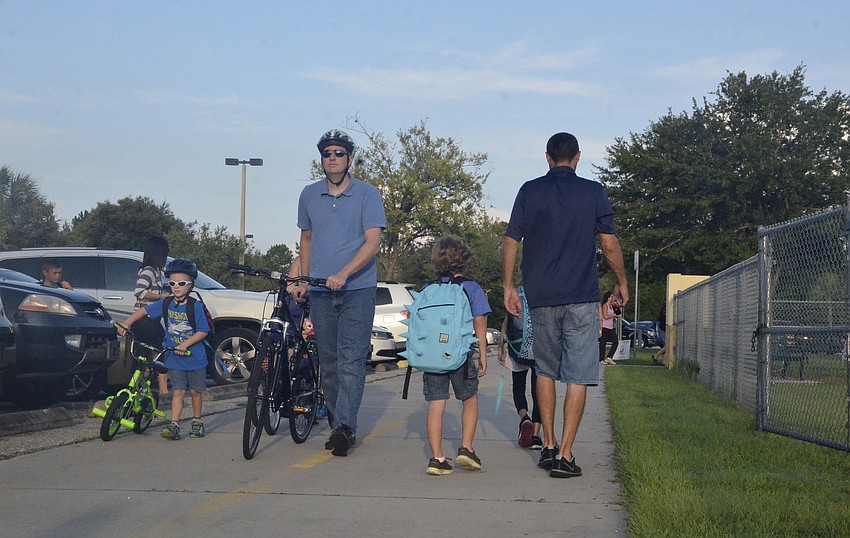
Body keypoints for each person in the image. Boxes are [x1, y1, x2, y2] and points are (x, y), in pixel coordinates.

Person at [503, 132, 628, 479]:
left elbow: (511, 238)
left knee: (543, 370)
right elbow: (609, 242)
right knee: (578, 375)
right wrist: (621, 282)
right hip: (581, 297)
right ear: (577, 157)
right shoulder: (593, 191)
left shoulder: (530, 190)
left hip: (541, 298)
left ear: (547, 157)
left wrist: (509, 286)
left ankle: (548, 445)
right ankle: (566, 454)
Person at [294, 129, 386, 457]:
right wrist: (303, 280)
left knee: (350, 360)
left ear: (349, 158)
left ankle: (345, 426)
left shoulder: (367, 194)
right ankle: (338, 421)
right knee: (329, 364)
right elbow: (306, 240)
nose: (332, 157)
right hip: (319, 292)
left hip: (357, 291)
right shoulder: (308, 195)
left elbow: (372, 242)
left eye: (338, 152)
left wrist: (344, 274)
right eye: (327, 153)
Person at [119, 258, 210, 440]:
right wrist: (127, 322)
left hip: (195, 357)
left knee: (195, 391)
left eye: (181, 283)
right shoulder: (166, 303)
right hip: (174, 357)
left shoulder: (196, 306)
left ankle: (197, 421)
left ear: (191, 284)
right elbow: (144, 311)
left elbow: (203, 331)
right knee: (178, 391)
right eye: (172, 283)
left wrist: (185, 344)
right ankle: (174, 424)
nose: (176, 287)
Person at [424, 235, 491, 475]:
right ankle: (466, 448)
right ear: (464, 260)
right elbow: (480, 322)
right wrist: (483, 353)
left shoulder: (428, 289)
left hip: (433, 358)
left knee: (436, 404)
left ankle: (437, 457)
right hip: (461, 356)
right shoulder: (471, 288)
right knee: (469, 399)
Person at [498, 285, 542, 450]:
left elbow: (508, 319)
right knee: (539, 391)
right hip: (540, 349)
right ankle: (536, 436)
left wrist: (501, 344)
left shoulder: (515, 292)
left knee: (518, 386)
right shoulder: (543, 290)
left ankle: (524, 417)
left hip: (517, 347)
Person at [133, 236, 171, 394]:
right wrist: (161, 297)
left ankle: (161, 389)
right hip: (145, 320)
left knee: (160, 351)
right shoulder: (149, 271)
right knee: (145, 355)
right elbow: (139, 292)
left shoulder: (156, 272)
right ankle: (138, 388)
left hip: (153, 320)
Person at [598, 292, 620, 365]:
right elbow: (605, 316)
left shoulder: (611, 306)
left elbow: (618, 313)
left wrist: (617, 306)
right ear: (607, 298)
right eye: (611, 297)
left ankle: (609, 357)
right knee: (603, 343)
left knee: (615, 341)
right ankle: (601, 359)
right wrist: (613, 315)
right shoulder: (605, 305)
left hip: (611, 327)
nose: (612, 298)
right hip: (605, 327)